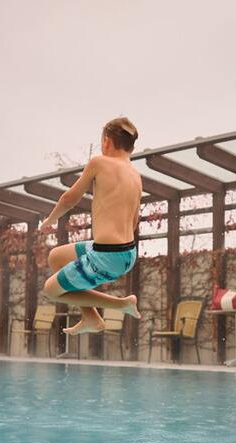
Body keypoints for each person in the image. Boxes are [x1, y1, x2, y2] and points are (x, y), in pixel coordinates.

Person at [39, 117, 142, 335]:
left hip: (107, 255)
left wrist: (50, 219)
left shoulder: (99, 162)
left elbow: (69, 198)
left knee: (51, 290)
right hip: (126, 252)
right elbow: (134, 221)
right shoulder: (135, 175)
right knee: (56, 257)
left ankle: (121, 304)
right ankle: (90, 316)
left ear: (106, 141)